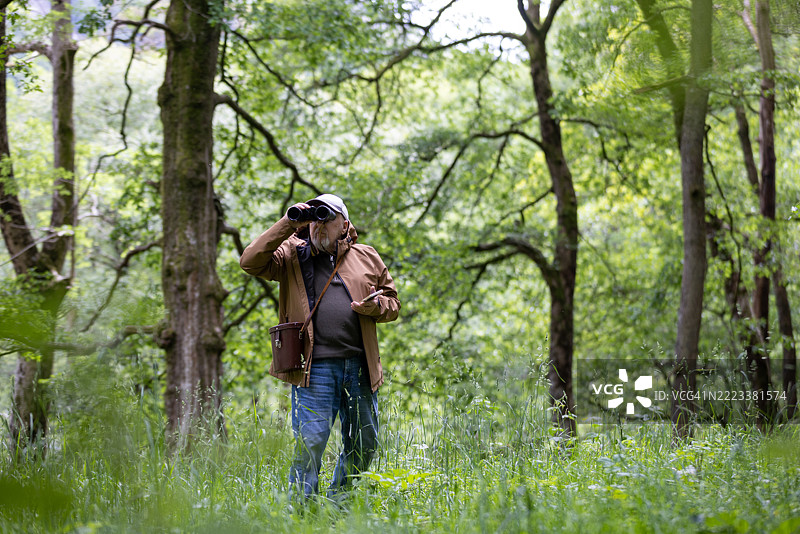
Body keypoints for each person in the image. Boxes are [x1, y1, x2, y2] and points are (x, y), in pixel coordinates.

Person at [239, 194, 400, 500]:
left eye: (327, 217)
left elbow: (393, 302)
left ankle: (340, 504)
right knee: (310, 441)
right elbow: (249, 261)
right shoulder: (290, 255)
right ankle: (301, 511)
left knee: (364, 440)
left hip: (360, 365)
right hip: (315, 368)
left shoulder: (367, 256)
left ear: (345, 225)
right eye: (315, 219)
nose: (319, 225)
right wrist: (289, 222)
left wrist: (375, 306)